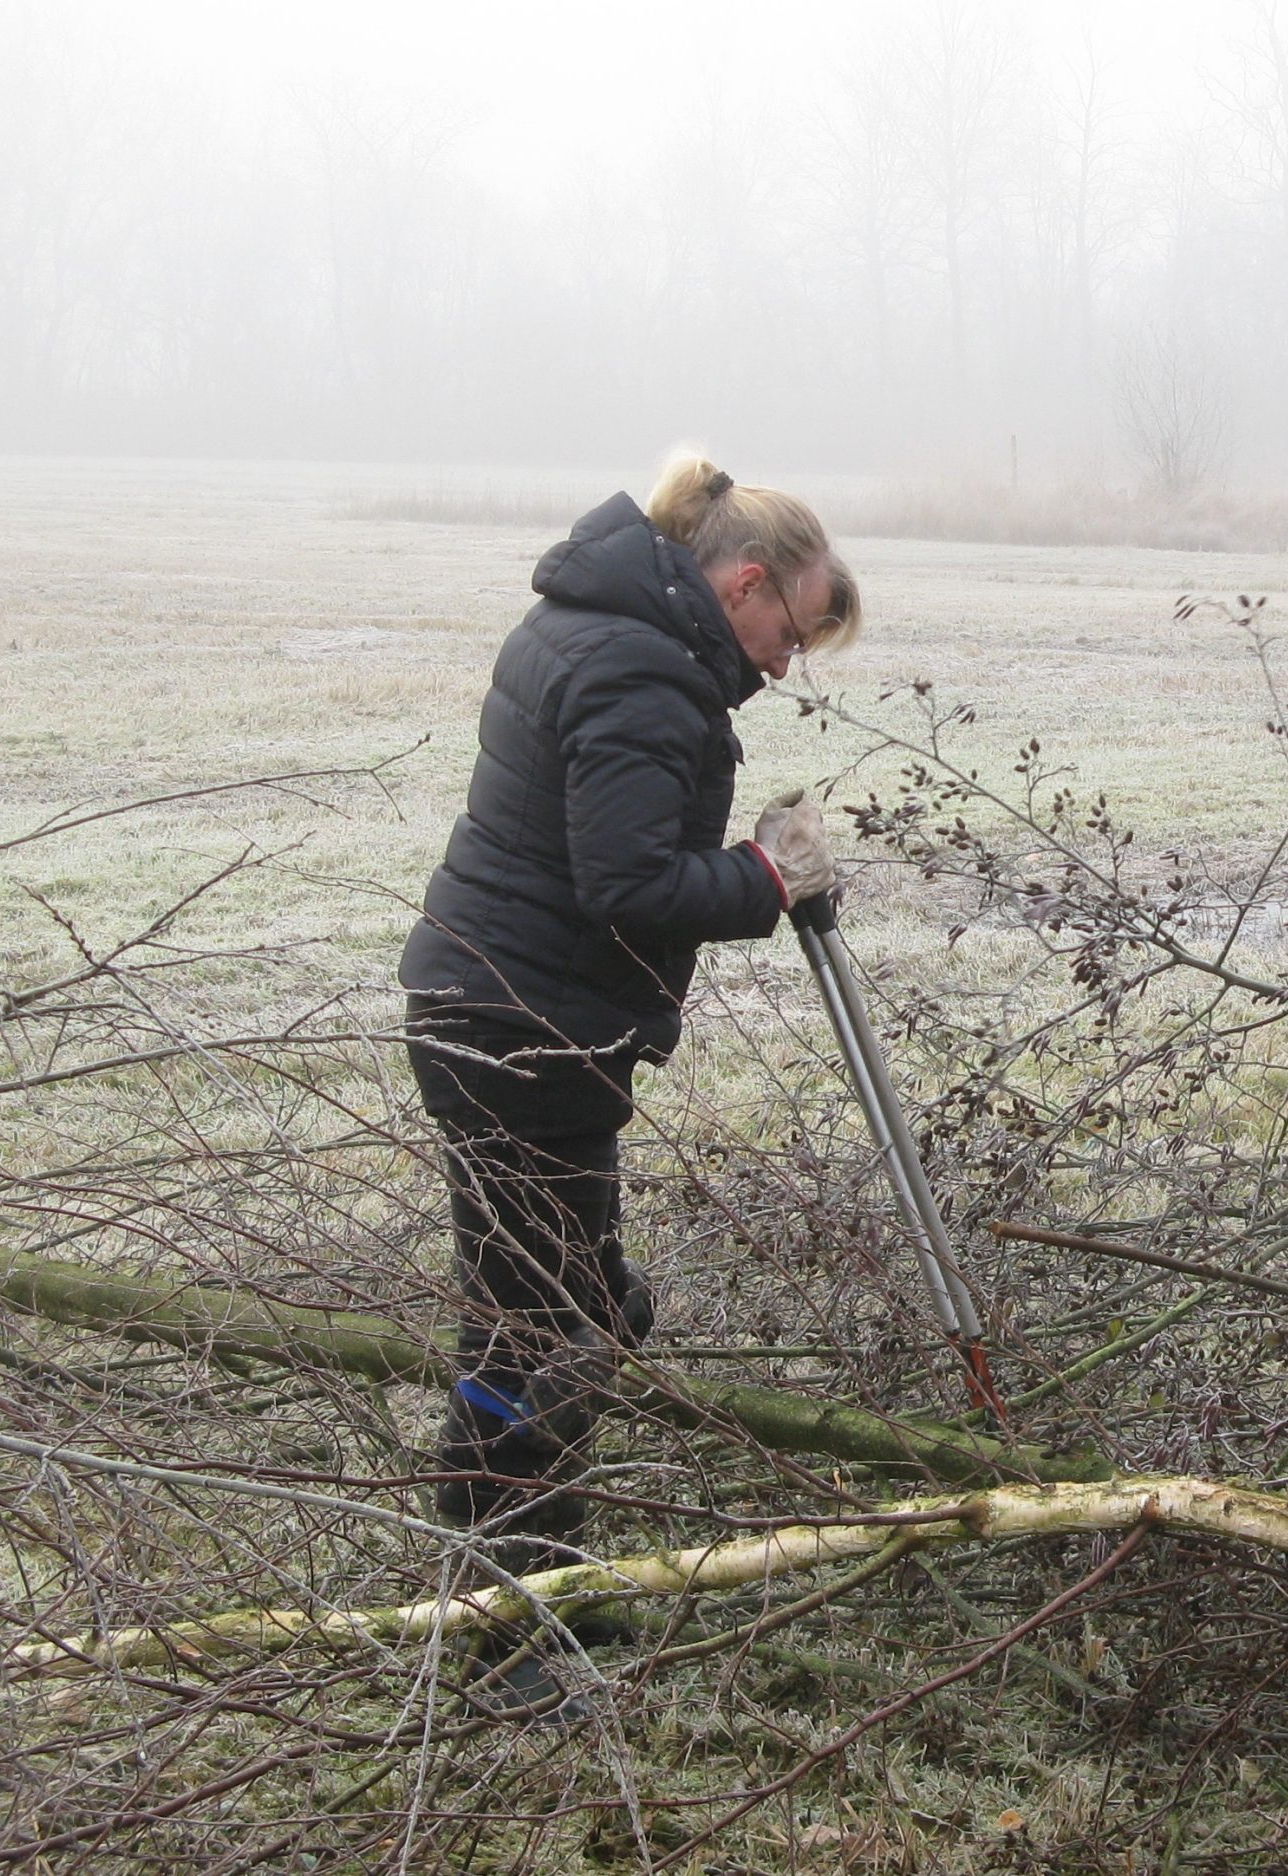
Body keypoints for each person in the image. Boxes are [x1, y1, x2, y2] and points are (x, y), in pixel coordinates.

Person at [399, 455, 857, 1711]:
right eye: (790, 632)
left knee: (556, 1311)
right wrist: (769, 876)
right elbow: (631, 886)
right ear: (747, 583)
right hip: (522, 1035)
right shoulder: (644, 669)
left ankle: (525, 1578)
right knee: (550, 1324)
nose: (783, 664)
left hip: (501, 1015)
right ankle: (505, 1634)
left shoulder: (594, 626)